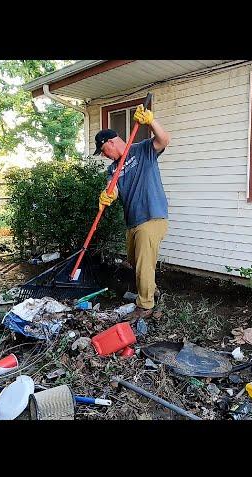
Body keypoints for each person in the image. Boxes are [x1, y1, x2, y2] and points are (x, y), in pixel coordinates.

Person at [94, 103, 170, 318]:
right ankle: (151, 290)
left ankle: (145, 305)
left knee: (144, 264)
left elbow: (164, 140)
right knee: (135, 261)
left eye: (103, 150)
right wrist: (107, 195)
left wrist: (151, 122)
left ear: (110, 142)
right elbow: (113, 187)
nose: (104, 155)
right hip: (133, 221)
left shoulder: (142, 149)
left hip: (152, 216)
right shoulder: (112, 168)